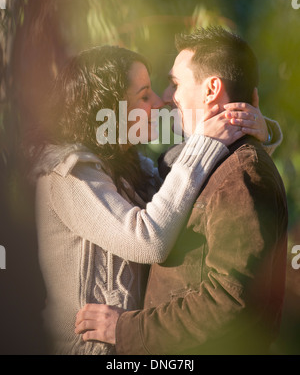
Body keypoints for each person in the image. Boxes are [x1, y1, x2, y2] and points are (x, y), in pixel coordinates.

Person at [31, 44, 261, 355]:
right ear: (110, 109)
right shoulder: (68, 174)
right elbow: (149, 238)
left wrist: (252, 132)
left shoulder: (134, 165)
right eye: (143, 96)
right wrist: (207, 141)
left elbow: (195, 194)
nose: (159, 102)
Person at [75, 27, 288, 355]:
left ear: (211, 89)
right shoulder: (217, 162)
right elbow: (176, 168)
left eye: (176, 83)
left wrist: (127, 330)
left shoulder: (241, 172)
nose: (167, 97)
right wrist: (266, 132)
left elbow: (230, 299)